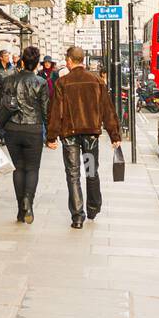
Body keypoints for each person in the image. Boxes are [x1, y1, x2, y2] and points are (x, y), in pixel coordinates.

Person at [47, 45, 121, 229]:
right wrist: (114, 134)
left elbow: (56, 111)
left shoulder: (62, 83)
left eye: (66, 59)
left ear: (70, 61)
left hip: (70, 135)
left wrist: (51, 136)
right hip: (90, 135)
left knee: (72, 174)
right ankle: (93, 207)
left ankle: (78, 216)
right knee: (90, 170)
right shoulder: (96, 80)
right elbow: (107, 109)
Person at [0, 46, 52, 224]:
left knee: (19, 168)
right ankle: (28, 202)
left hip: (13, 129)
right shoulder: (41, 82)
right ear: (37, 63)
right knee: (32, 168)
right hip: (33, 129)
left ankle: (20, 210)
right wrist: (52, 136)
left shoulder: (9, 80)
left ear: (22, 61)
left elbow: (0, 106)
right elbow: (46, 111)